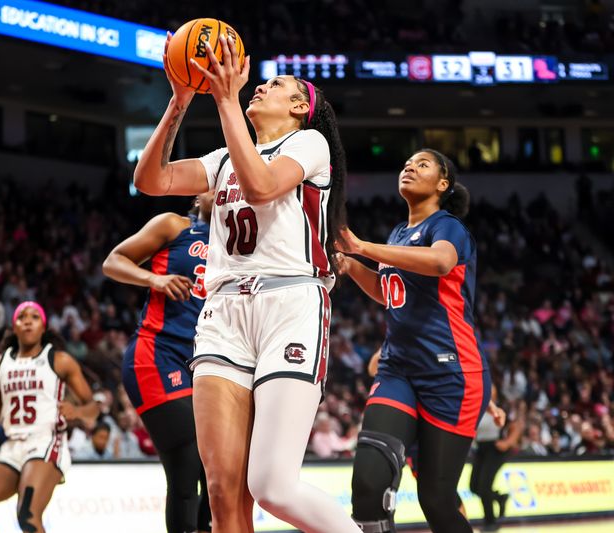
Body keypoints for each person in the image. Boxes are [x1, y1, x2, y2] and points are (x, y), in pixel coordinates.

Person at [133, 33, 358, 533]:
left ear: (300, 105)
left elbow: (261, 186)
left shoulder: (308, 143)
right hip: (222, 313)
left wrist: (227, 100)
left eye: (275, 84)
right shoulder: (220, 159)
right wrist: (179, 101)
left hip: (289, 303)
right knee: (221, 491)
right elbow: (150, 181)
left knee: (272, 486)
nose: (259, 86)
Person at [338, 149, 491, 533]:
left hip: (451, 372)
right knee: (369, 483)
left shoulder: (448, 226)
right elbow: (389, 291)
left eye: (422, 164)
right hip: (398, 369)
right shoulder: (399, 235)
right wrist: (350, 264)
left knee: (436, 499)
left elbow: (440, 262)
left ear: (443, 184)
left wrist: (362, 248)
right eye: (406, 161)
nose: (409, 166)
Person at [102, 193, 213, 533]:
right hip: (157, 353)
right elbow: (113, 261)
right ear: (199, 195)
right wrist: (155, 279)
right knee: (188, 462)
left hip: (206, 362)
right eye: (215, 181)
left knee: (217, 471)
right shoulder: (174, 225)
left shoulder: (240, 243)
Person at [0, 301, 99, 533]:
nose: (28, 320)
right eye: (22, 317)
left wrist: (77, 412)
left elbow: (94, 408)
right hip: (12, 447)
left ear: (43, 327)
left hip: (46, 442)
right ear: (14, 327)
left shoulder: (59, 360)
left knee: (27, 516)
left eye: (34, 317)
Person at [470, 387, 520, 532]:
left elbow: (516, 426)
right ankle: (499, 498)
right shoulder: (476, 408)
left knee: (484, 486)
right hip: (480, 449)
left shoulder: (500, 407)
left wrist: (508, 442)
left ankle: (490, 522)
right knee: (473, 486)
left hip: (495, 448)